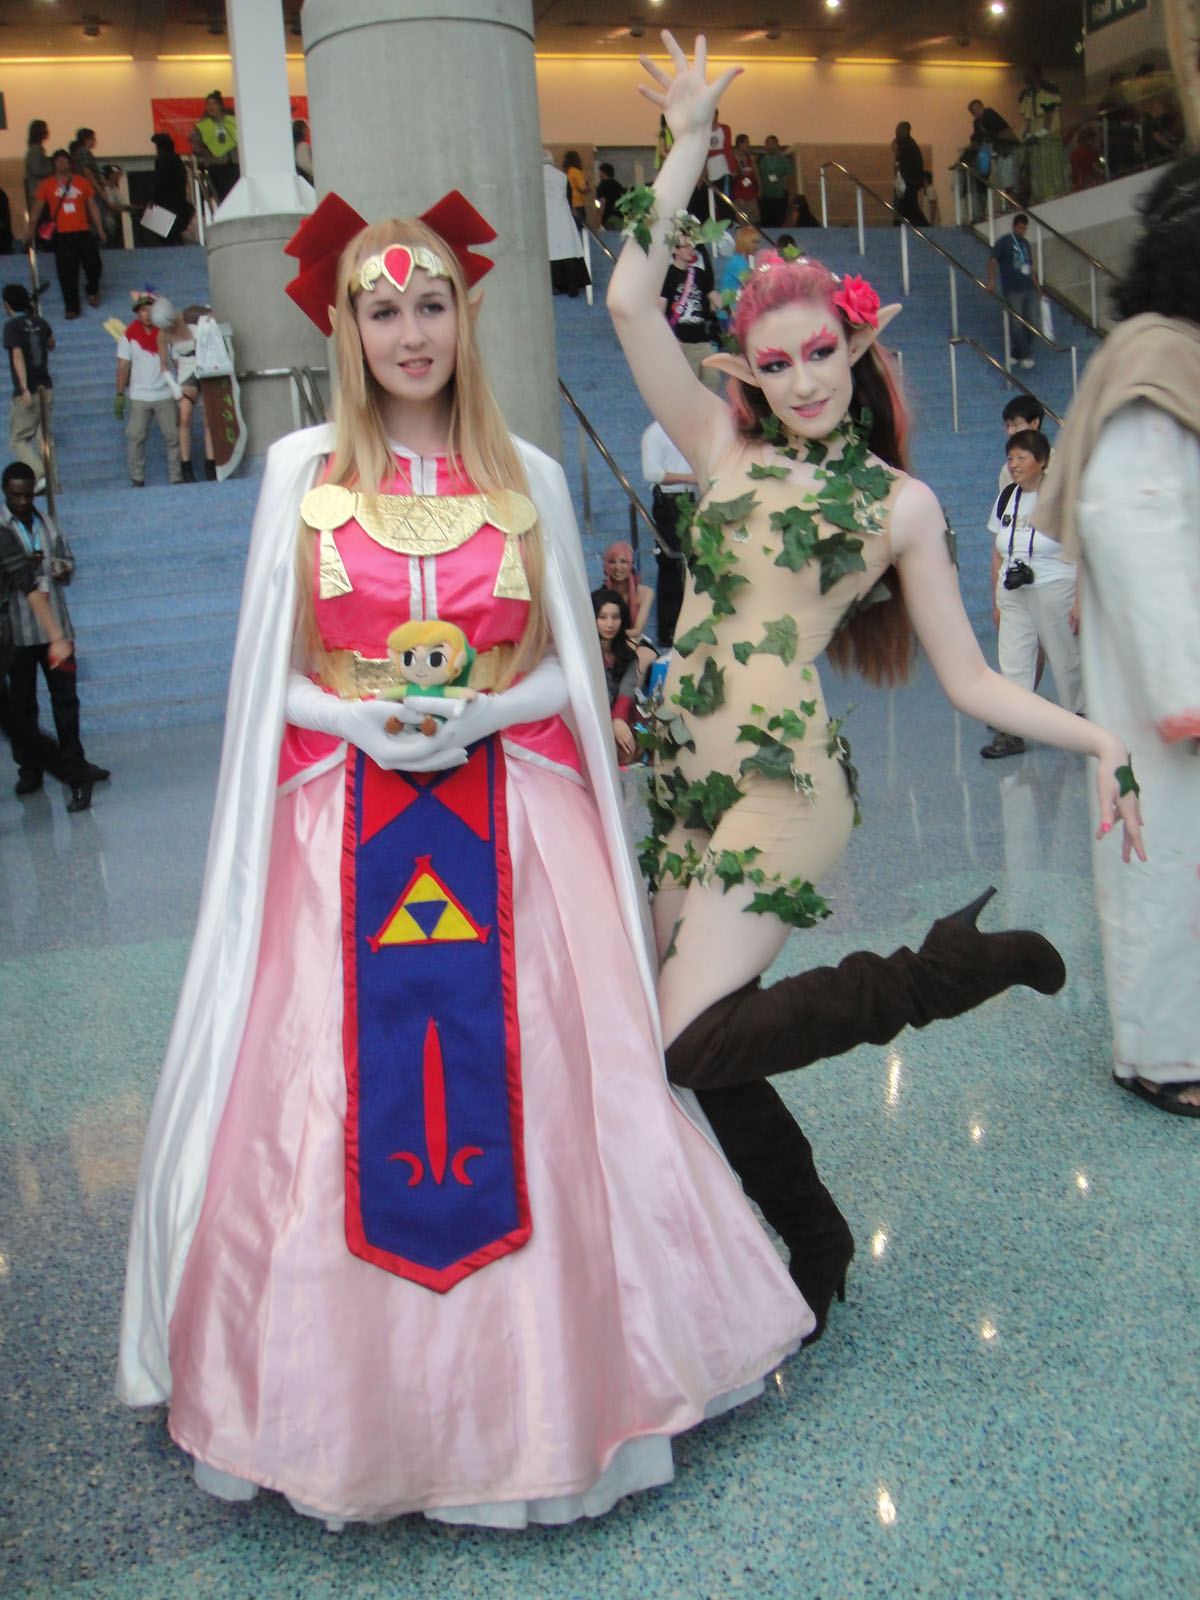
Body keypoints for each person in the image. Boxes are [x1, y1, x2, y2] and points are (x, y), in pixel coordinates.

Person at [116, 190, 814, 1526]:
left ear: (463, 316)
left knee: (553, 1082)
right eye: (385, 308)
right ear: (349, 323)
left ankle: (565, 1398)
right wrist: (353, 715)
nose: (412, 331)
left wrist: (488, 711)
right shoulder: (301, 473)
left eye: (432, 304)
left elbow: (565, 660)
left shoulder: (530, 475)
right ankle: (347, 1412)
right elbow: (270, 675)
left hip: (513, 834)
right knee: (324, 1108)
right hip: (340, 835)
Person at [607, 32, 1144, 1339]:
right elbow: (628, 304)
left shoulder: (896, 505)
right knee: (686, 1037)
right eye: (773, 361)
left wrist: (1099, 738)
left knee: (679, 1043)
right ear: (751, 369)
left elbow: (968, 682)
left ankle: (941, 970)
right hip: (683, 778)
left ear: (857, 352)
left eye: (817, 356)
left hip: (786, 796)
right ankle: (813, 1238)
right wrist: (684, 145)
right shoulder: (718, 445)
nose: (796, 379)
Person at [1038, 153, 1200, 1116]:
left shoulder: (1169, 351)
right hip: (1165, 691)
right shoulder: (1156, 360)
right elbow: (1138, 527)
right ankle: (1162, 1056)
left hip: (1170, 676)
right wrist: (1184, 688)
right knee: (1164, 868)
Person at [0, 461, 108, 808]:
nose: (22, 501)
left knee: (61, 701)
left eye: (28, 494)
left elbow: (32, 585)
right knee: (22, 708)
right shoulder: (4, 526)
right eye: (15, 495)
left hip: (43, 627)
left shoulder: (44, 525)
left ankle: (74, 765)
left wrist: (58, 634)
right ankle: (30, 769)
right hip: (17, 633)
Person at [980, 429, 1081, 760]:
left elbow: (1083, 549)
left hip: (1056, 587)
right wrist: (996, 599)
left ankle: (1080, 721)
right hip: (1013, 590)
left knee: (1066, 658)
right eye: (1010, 458)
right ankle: (1014, 730)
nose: (1014, 465)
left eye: (1022, 458)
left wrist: (1080, 599)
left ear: (1042, 461)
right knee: (1014, 661)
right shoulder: (1007, 496)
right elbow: (997, 552)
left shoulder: (1062, 496)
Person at [115, 291, 183, 487]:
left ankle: (176, 476)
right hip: (139, 395)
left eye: (150, 309)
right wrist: (120, 394)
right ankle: (137, 478)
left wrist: (182, 385)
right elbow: (123, 366)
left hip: (165, 394)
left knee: (173, 437)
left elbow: (177, 361)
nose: (146, 314)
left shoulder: (168, 333)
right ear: (137, 312)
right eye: (142, 310)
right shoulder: (129, 335)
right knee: (135, 438)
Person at [26, 149, 103, 321]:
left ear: (70, 163)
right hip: (61, 235)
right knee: (66, 272)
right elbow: (37, 208)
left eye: (64, 160)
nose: (61, 163)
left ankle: (92, 290)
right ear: (53, 164)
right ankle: (71, 307)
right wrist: (30, 230)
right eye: (57, 160)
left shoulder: (82, 182)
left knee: (94, 263)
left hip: (83, 231)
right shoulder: (47, 185)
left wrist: (100, 228)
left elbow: (92, 206)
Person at [641, 417, 696, 647]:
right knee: (671, 564)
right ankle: (669, 631)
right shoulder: (655, 433)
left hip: (692, 499)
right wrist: (691, 478)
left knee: (691, 564)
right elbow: (651, 473)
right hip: (670, 502)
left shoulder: (689, 429)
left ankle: (687, 625)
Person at [3, 284, 57, 492]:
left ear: (7, 304)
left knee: (18, 439)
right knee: (43, 436)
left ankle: (39, 473)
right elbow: (51, 344)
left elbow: (17, 356)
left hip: (28, 389)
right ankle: (54, 482)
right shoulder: (40, 322)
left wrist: (23, 387)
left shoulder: (11, 327)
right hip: (47, 386)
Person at [660, 234, 720, 386]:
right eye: (686, 246)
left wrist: (729, 302)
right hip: (682, 340)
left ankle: (705, 410)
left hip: (702, 338)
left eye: (691, 245)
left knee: (713, 379)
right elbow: (660, 312)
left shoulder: (699, 274)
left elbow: (713, 297)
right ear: (676, 250)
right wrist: (672, 339)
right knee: (689, 385)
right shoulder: (666, 275)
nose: (691, 249)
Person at [986, 213, 1041, 370]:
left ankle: (1017, 353)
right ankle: (1026, 354)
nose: (1022, 231)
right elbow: (992, 260)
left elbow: (1030, 267)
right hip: (1013, 290)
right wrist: (991, 281)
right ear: (1014, 226)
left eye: (1025, 228)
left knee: (1033, 323)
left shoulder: (1025, 244)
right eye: (1020, 227)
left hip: (1029, 288)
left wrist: (1038, 288)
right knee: (1016, 323)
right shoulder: (1004, 242)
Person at [592, 586, 639, 761]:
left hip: (619, 718)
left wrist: (618, 720)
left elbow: (626, 693)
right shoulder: (582, 656)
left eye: (615, 617)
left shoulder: (628, 657)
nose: (610, 624)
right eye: (602, 617)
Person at [601, 540, 656, 678]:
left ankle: (633, 694)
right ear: (606, 565)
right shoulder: (601, 595)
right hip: (608, 642)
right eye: (612, 562)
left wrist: (615, 634)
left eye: (623, 561)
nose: (618, 567)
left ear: (631, 564)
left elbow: (637, 630)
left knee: (642, 656)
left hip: (634, 641)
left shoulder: (646, 593)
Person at [542, 150, 590, 298]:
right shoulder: (562, 176)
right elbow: (569, 197)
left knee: (551, 251)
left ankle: (555, 285)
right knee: (568, 249)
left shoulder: (534, 176)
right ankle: (573, 285)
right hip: (562, 216)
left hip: (545, 218)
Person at [1019, 66, 1067, 202]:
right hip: (1035, 136)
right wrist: (1027, 133)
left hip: (1048, 135)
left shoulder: (1048, 89)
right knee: (1037, 166)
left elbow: (1050, 112)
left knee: (1050, 163)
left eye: (1027, 73)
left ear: (1034, 74)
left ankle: (1054, 193)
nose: (1025, 77)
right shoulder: (1028, 95)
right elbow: (1028, 119)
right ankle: (1040, 195)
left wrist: (1045, 130)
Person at [190, 92, 239, 204]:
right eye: (208, 104)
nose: (211, 107)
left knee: (235, 196)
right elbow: (195, 145)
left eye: (214, 104)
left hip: (234, 164)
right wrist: (203, 150)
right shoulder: (204, 125)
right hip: (216, 166)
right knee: (221, 197)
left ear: (221, 105)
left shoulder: (232, 121)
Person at [147, 133, 195, 245]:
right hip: (178, 205)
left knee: (164, 239)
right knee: (175, 237)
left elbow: (160, 183)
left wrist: (153, 198)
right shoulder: (178, 161)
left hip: (165, 207)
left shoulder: (163, 161)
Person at [892, 121, 928, 226]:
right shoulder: (909, 144)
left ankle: (924, 226)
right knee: (908, 206)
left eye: (898, 130)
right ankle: (919, 226)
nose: (896, 132)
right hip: (911, 181)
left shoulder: (907, 145)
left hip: (909, 181)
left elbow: (907, 165)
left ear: (905, 131)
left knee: (908, 206)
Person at [756, 135, 793, 229]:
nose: (771, 146)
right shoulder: (760, 161)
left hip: (780, 197)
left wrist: (790, 194)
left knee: (778, 223)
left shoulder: (784, 161)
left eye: (773, 143)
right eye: (768, 143)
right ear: (765, 145)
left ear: (777, 145)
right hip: (765, 197)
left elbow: (790, 177)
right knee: (765, 224)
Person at [23, 120, 52, 231]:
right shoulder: (35, 151)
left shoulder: (36, 150)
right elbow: (37, 170)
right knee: (43, 223)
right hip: (38, 193)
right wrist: (52, 169)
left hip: (39, 192)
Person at [730, 134, 760, 219]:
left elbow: (756, 174)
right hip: (739, 194)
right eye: (746, 143)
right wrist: (738, 171)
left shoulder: (751, 158)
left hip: (751, 193)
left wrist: (760, 188)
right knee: (741, 219)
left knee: (753, 220)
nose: (748, 145)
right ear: (740, 144)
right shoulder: (733, 158)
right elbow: (730, 178)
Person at [562, 150, 590, 229]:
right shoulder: (576, 172)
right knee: (580, 228)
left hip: (569, 204)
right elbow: (582, 188)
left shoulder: (567, 172)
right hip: (578, 204)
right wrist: (588, 188)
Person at [594, 162, 624, 226]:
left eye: (600, 173)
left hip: (607, 217)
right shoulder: (618, 184)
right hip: (619, 216)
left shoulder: (602, 185)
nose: (599, 175)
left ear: (603, 173)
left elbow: (602, 202)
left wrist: (599, 218)